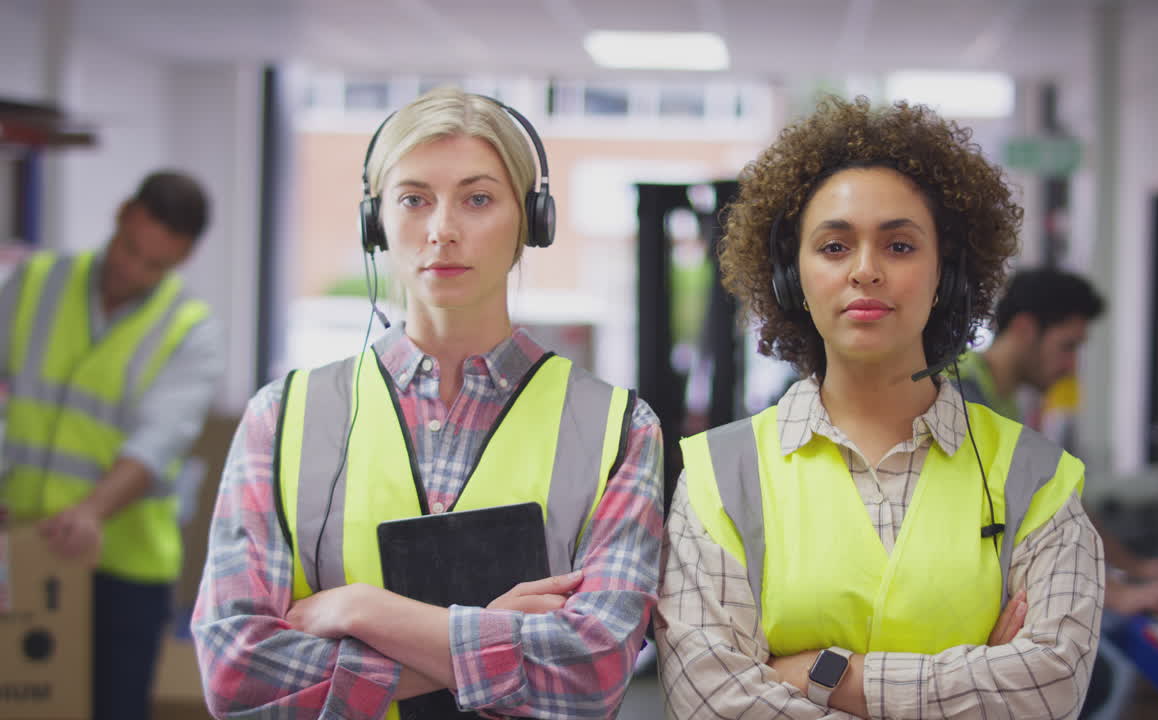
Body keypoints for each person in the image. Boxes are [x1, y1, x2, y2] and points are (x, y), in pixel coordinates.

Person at [191, 87, 663, 720]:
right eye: (414, 199)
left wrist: (363, 609)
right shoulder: (281, 417)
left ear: (530, 220)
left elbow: (591, 673)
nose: (442, 230)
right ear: (376, 221)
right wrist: (494, 643)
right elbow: (234, 673)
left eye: (478, 199)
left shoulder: (620, 429)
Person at [656, 96, 1104, 719]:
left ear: (946, 273)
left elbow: (1048, 689)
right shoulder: (718, 476)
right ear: (793, 278)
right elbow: (711, 703)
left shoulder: (1039, 479)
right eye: (835, 247)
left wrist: (817, 676)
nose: (866, 271)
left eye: (899, 246)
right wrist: (976, 679)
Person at [0, 170, 223, 720]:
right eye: (130, 250)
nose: (133, 270)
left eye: (156, 265)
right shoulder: (34, 282)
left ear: (185, 257)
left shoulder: (190, 330)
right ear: (123, 214)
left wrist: (91, 512)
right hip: (20, 547)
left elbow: (158, 440)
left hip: (122, 565)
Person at [953, 268, 1158, 618]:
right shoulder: (965, 398)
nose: (1070, 367)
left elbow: (1054, 501)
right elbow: (1010, 524)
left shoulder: (1002, 401)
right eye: (1067, 347)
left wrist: (1136, 568)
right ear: (1024, 329)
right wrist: (1117, 594)